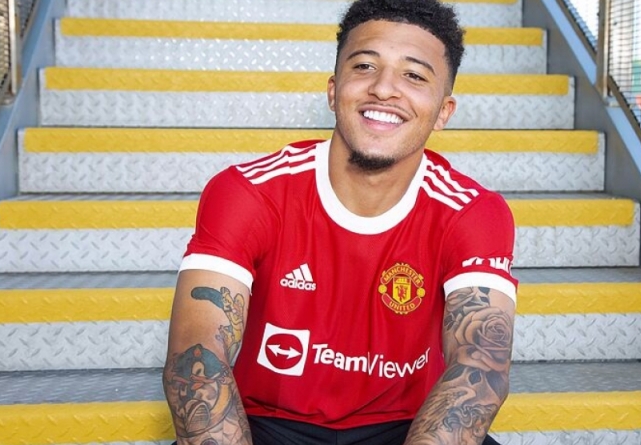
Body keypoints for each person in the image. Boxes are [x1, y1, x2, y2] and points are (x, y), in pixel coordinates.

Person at [163, 0, 517, 443]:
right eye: (365, 66)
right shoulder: (249, 192)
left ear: (444, 112)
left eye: (414, 75)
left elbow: (479, 369)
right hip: (265, 424)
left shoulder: (472, 212)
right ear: (333, 91)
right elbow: (196, 358)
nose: (384, 89)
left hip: (406, 427)